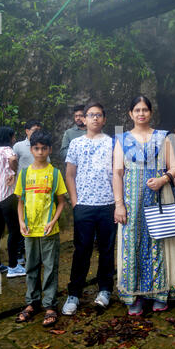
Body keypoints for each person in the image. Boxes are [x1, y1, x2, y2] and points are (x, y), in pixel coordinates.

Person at [113, 95, 175, 316]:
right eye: (137, 110)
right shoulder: (122, 139)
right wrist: (119, 205)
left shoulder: (163, 138)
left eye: (145, 110)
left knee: (157, 243)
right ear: (130, 114)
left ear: (151, 113)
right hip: (131, 203)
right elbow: (117, 173)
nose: (141, 113)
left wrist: (163, 180)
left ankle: (159, 293)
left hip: (159, 199)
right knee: (131, 245)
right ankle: (134, 296)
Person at [62, 101, 117, 315]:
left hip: (107, 205)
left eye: (99, 115)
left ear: (104, 119)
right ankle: (74, 294)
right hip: (83, 205)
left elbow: (118, 173)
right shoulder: (76, 143)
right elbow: (70, 174)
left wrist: (118, 202)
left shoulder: (112, 143)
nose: (95, 118)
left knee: (106, 250)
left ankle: (105, 290)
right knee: (81, 250)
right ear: (83, 119)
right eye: (91, 115)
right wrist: (75, 203)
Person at [14, 129, 67, 327]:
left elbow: (61, 201)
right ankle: (31, 302)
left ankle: (50, 305)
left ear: (49, 150)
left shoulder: (54, 173)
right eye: (36, 148)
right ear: (31, 149)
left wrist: (53, 221)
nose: (40, 152)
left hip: (48, 231)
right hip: (29, 231)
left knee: (51, 267)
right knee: (31, 267)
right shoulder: (25, 174)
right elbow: (20, 201)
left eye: (44, 149)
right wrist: (21, 222)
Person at [13, 119, 47, 265]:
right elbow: (13, 163)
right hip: (24, 188)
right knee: (22, 220)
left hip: (40, 189)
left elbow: (47, 164)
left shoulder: (42, 147)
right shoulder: (19, 146)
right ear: (26, 131)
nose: (36, 132)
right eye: (34, 130)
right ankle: (20, 254)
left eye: (38, 130)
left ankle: (38, 253)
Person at [0, 127, 26, 277]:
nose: (14, 138)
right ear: (9, 137)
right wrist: (13, 171)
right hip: (8, 196)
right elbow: (13, 159)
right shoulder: (7, 150)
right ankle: (13, 266)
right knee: (14, 231)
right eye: (13, 136)